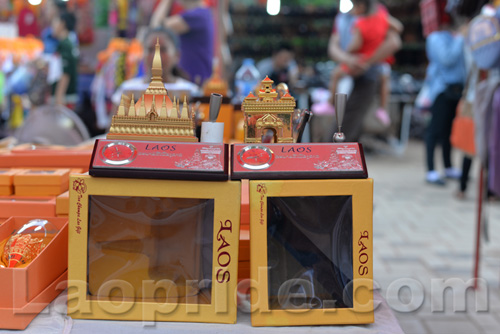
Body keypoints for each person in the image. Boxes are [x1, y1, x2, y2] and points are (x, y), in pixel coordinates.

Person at [327, 0, 402, 143]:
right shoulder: (343, 17)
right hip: (350, 71)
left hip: (366, 74)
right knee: (345, 122)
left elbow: (394, 42)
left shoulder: (378, 13)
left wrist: (364, 62)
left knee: (346, 124)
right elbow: (333, 46)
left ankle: (335, 156)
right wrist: (349, 60)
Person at [424, 14, 466, 186]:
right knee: (435, 131)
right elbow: (447, 59)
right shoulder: (435, 38)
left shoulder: (454, 37)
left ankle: (448, 167)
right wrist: (461, 37)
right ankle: (431, 170)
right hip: (441, 90)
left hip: (457, 90)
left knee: (449, 130)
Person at [111, 27, 200, 106]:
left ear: (177, 56)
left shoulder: (192, 92)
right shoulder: (127, 89)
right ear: (142, 55)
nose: (155, 56)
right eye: (150, 50)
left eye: (163, 50)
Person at [152, 0, 214, 86]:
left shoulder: (196, 16)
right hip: (195, 78)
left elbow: (157, 28)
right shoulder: (201, 14)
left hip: (194, 80)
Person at [51, 10, 79, 107]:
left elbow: (65, 73)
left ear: (62, 24)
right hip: (64, 97)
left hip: (64, 99)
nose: (53, 26)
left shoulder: (65, 45)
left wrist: (58, 99)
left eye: (55, 22)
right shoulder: (68, 43)